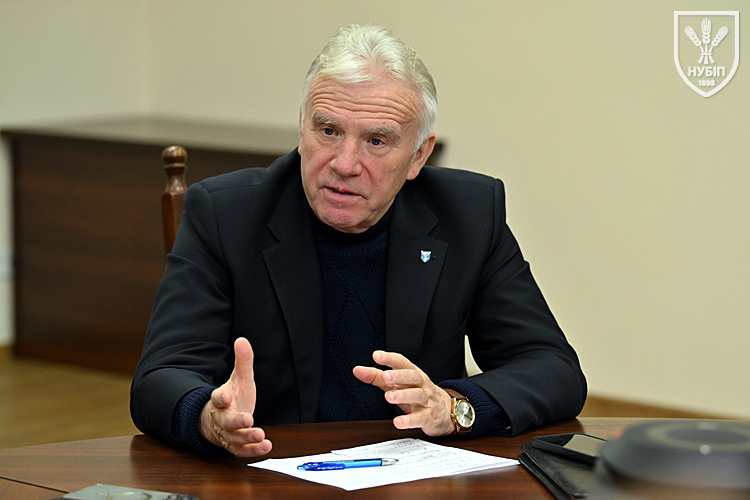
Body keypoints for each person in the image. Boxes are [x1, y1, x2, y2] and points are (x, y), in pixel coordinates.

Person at [130, 23, 586, 458]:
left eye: (376, 141)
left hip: (416, 476)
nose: (345, 164)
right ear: (302, 128)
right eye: (328, 131)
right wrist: (207, 417)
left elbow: (553, 368)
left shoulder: (468, 214)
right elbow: (160, 377)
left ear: (419, 156)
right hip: (273, 470)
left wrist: (453, 407)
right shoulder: (226, 215)